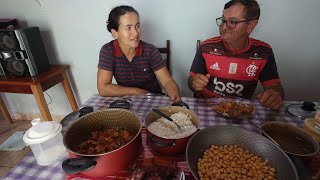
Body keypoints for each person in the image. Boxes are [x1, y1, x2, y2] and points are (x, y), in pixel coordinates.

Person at [188, 0, 284, 110]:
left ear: (250, 26)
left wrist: (275, 96)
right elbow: (191, 81)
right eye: (223, 20)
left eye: (232, 22)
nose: (223, 27)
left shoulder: (263, 52)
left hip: (239, 111)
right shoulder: (207, 47)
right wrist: (195, 83)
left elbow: (274, 87)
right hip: (207, 108)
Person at [98, 5, 181, 103]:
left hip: (153, 100)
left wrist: (175, 96)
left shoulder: (150, 50)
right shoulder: (108, 51)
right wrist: (136, 91)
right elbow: (103, 88)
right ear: (115, 33)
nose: (136, 33)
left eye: (137, 26)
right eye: (128, 28)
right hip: (128, 101)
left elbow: (167, 81)